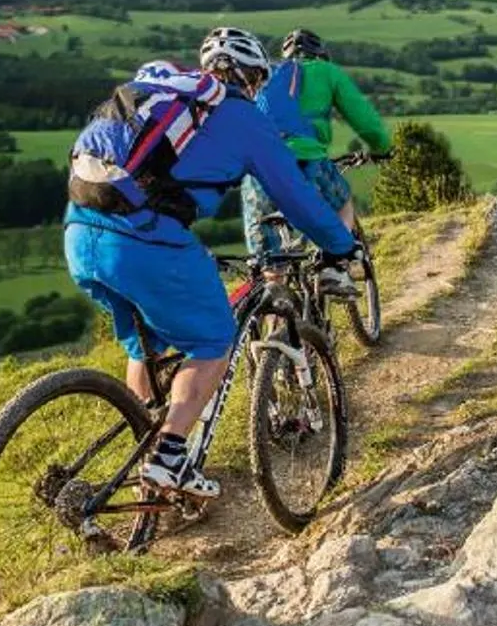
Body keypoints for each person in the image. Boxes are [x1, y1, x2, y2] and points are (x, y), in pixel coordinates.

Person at [62, 26, 358, 497]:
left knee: (146, 348)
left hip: (81, 234)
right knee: (213, 339)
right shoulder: (240, 115)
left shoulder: (160, 90)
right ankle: (169, 458)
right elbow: (296, 195)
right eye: (259, 83)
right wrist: (341, 244)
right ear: (252, 77)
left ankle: (147, 456)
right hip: (146, 244)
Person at [241, 27, 393, 259]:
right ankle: (333, 264)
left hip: (260, 166)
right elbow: (366, 121)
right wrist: (381, 149)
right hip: (307, 160)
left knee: (267, 249)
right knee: (341, 203)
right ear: (320, 53)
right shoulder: (327, 72)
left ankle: (275, 287)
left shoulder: (265, 75)